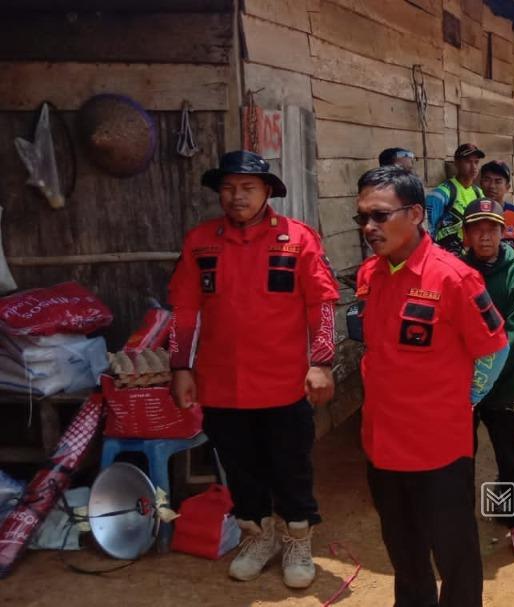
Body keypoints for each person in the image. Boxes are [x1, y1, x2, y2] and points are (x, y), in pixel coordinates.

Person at [169, 150, 339, 589]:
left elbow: (321, 306)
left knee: (290, 467)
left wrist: (320, 362)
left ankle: (297, 541)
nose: (236, 196)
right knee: (240, 468)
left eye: (247, 187)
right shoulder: (200, 242)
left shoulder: (299, 239)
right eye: (228, 187)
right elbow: (185, 310)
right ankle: (258, 537)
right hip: (221, 385)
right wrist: (180, 367)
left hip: (284, 385)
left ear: (267, 192)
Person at [353, 166, 509, 607]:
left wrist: (463, 403)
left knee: (455, 558)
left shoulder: (454, 279)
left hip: (439, 453)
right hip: (382, 447)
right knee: (405, 556)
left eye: (380, 216)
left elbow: (494, 349)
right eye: (362, 217)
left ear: (417, 214)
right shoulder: (371, 275)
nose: (369, 227)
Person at [461, 197, 514, 560]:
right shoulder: (457, 270)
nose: (485, 236)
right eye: (477, 228)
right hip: (460, 383)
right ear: (467, 234)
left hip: (502, 380)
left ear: (502, 232)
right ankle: (456, 520)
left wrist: (486, 379)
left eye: (492, 228)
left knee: (510, 454)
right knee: (459, 454)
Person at [427, 143, 486, 257]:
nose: (473, 167)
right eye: (468, 162)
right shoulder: (442, 194)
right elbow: (429, 230)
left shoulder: (479, 193)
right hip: (445, 257)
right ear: (457, 163)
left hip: (471, 257)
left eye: (476, 162)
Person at [478, 160, 514, 270]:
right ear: (481, 183)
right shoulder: (474, 216)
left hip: (513, 280)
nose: (492, 186)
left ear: (508, 186)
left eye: (498, 181)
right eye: (487, 180)